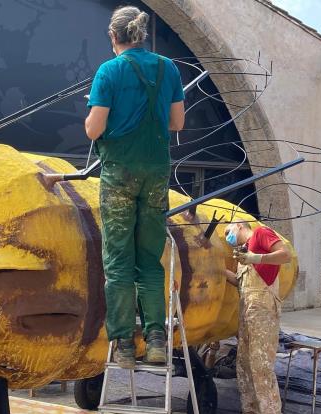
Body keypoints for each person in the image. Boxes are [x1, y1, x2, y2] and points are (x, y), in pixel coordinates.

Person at [85, 5, 185, 368]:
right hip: (156, 173)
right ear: (141, 35)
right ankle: (157, 339)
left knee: (118, 262)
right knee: (150, 259)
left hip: (120, 175)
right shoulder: (168, 68)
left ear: (114, 37)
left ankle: (124, 344)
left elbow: (94, 130)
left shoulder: (108, 71)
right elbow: (177, 123)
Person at [224, 221, 292, 414]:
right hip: (248, 309)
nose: (228, 236)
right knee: (243, 361)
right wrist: (219, 270)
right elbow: (241, 284)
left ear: (241, 226)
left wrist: (256, 258)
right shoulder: (243, 253)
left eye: (229, 231)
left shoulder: (261, 234)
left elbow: (285, 255)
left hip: (262, 309)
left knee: (260, 363)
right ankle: (251, 412)